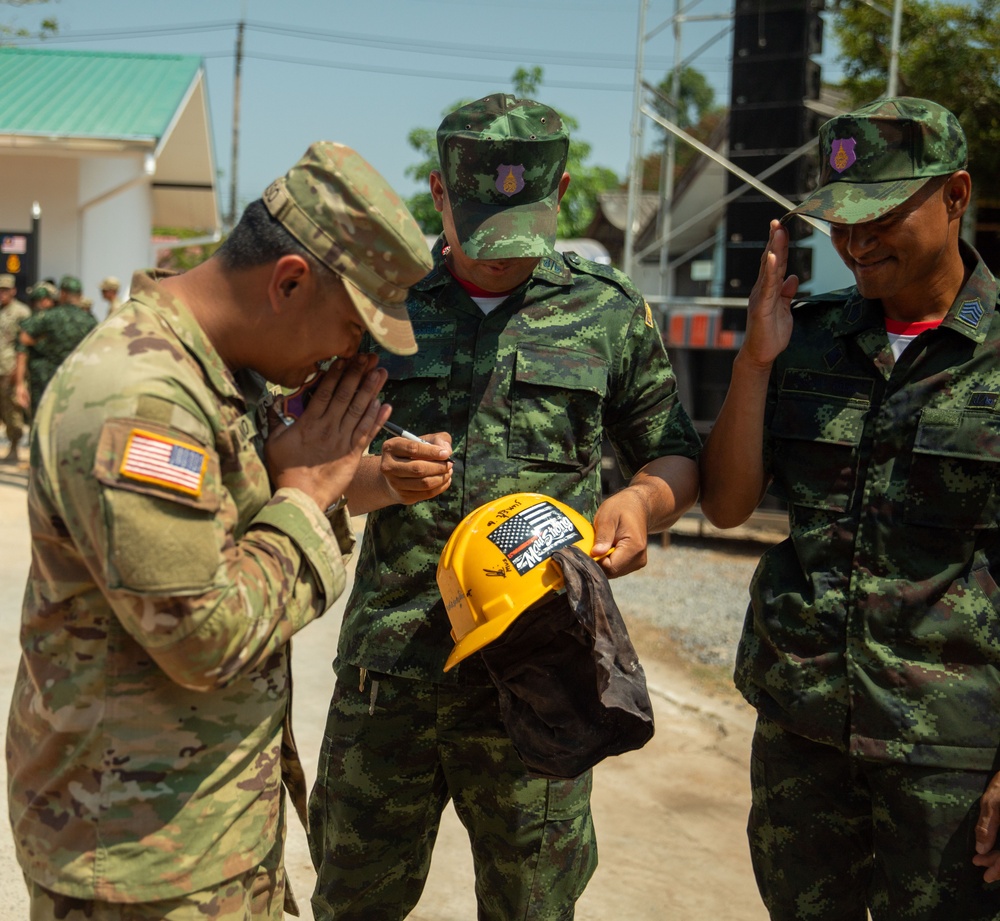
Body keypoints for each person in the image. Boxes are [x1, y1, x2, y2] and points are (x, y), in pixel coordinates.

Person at [6, 141, 433, 920]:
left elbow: (244, 505)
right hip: (138, 861)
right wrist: (306, 499)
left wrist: (364, 477)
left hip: (205, 830)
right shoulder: (141, 401)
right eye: (351, 326)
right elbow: (203, 633)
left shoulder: (219, 370)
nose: (352, 353)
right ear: (290, 281)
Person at [308, 93, 701, 920]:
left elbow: (674, 452)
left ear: (555, 199)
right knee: (352, 901)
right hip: (394, 674)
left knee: (533, 906)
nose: (497, 261)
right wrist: (376, 470)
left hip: (542, 670)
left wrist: (640, 497)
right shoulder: (382, 306)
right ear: (440, 194)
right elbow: (306, 459)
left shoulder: (605, 309)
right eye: (477, 227)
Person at [699, 97, 1000, 919]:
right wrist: (756, 362)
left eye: (881, 215)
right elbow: (727, 505)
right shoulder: (808, 337)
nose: (857, 243)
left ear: (956, 194)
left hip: (950, 757)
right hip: (804, 737)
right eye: (840, 222)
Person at [14, 277, 98, 418]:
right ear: (80, 295)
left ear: (63, 294)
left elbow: (23, 338)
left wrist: (43, 345)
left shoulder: (49, 316)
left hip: (47, 380)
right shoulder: (90, 320)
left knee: (42, 419)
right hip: (77, 380)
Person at [0, 273, 30, 461]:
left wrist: (19, 372)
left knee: (12, 410)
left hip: (10, 368)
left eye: (4, 290)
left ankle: (14, 446)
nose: (1, 294)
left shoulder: (22, 312)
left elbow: (25, 344)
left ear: (13, 291)